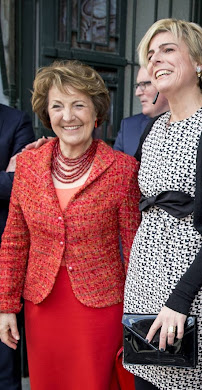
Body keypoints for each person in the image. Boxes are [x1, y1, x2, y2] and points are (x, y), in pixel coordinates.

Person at [122, 18, 202, 390]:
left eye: (167, 49)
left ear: (198, 61)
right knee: (146, 381)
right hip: (145, 280)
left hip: (191, 287)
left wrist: (180, 298)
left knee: (186, 383)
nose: (155, 59)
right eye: (150, 54)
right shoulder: (153, 127)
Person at [0, 60, 141, 390]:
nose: (68, 116)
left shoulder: (122, 170)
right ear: (47, 114)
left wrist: (137, 316)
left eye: (78, 104)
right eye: (58, 106)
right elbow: (14, 239)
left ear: (96, 112)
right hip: (42, 306)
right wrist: (6, 306)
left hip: (101, 308)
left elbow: (135, 249)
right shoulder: (29, 165)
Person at [0, 104, 35, 390]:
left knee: (3, 361)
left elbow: (18, 184)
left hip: (3, 260)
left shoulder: (15, 120)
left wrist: (9, 178)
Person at [114, 67, 170, 156]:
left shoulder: (193, 124)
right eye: (138, 85)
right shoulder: (129, 128)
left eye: (145, 84)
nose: (137, 93)